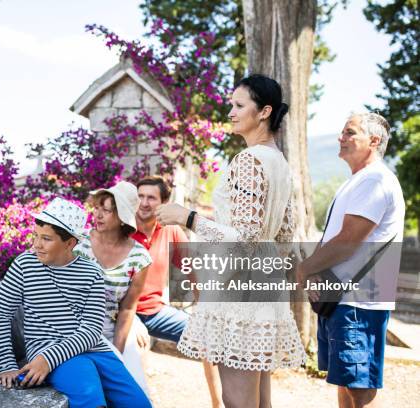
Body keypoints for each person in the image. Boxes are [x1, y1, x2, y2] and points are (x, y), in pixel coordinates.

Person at [156, 74, 306, 407]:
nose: (231, 112)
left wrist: (189, 218)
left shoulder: (250, 160)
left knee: (237, 400)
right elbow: (284, 236)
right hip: (265, 286)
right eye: (231, 105)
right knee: (259, 398)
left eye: (239, 105)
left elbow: (244, 241)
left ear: (264, 111)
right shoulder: (279, 162)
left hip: (239, 289)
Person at [0, 197, 151, 408]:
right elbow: (0, 315)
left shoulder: (91, 272)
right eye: (35, 236)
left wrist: (47, 360)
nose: (37, 244)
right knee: (91, 400)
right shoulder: (24, 265)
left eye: (46, 239)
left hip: (93, 349)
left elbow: (92, 330)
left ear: (70, 243)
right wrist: (7, 365)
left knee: (139, 404)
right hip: (48, 347)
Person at [297, 113, 404, 408]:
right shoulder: (358, 181)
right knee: (345, 380)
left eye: (349, 132)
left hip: (360, 301)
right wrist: (315, 271)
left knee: (360, 387)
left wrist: (305, 269)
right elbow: (333, 237)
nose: (340, 138)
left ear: (374, 140)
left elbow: (347, 242)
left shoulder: (375, 180)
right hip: (344, 299)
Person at [132, 176, 224, 407]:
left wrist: (207, 311)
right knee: (137, 346)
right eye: (140, 196)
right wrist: (131, 321)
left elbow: (193, 272)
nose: (144, 202)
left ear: (163, 202)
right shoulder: (124, 229)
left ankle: (218, 404)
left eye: (151, 197)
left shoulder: (170, 231)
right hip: (125, 313)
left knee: (208, 337)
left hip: (155, 311)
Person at [73, 181, 152, 393]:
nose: (97, 214)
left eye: (106, 210)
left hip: (109, 330)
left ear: (122, 218)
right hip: (72, 328)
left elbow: (127, 309)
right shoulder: (79, 242)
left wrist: (116, 353)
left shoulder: (140, 257)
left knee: (133, 389)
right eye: (97, 207)